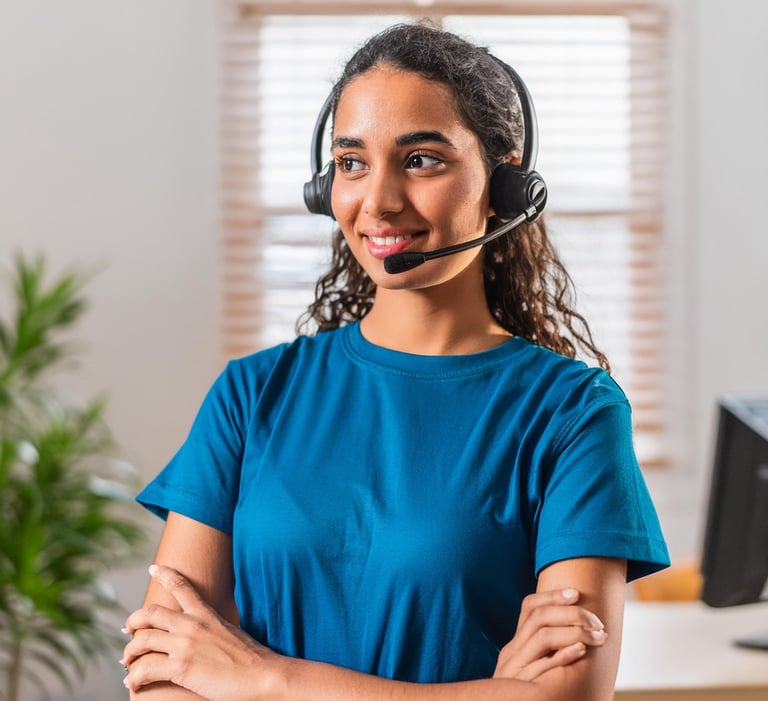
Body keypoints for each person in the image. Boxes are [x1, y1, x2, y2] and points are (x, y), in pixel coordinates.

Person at [121, 22, 669, 700]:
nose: (377, 200)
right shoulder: (251, 394)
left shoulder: (573, 412)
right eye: (351, 163)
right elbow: (160, 676)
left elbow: (563, 696)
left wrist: (261, 677)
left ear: (505, 182)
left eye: (420, 160)